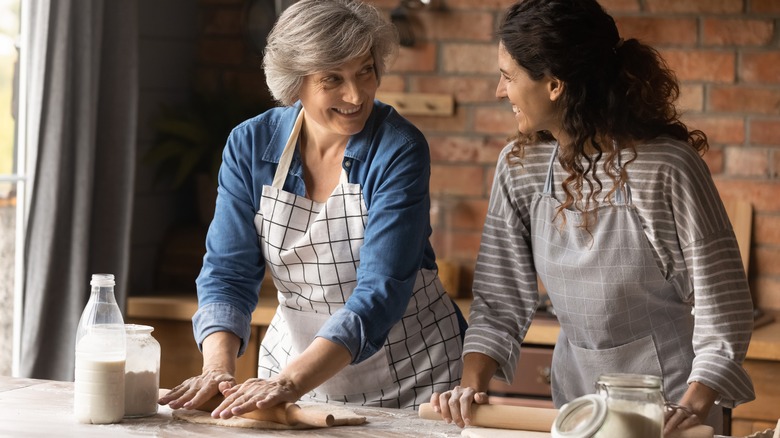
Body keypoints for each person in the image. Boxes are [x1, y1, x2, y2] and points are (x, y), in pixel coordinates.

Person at [430, 0, 755, 435]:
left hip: (671, 408)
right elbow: (498, 301)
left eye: (508, 76)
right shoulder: (519, 167)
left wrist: (691, 408)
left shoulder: (666, 168)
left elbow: (725, 308)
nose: (499, 90)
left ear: (554, 85)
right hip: (577, 404)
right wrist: (469, 388)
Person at [158, 0, 465, 418]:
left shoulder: (398, 150)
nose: (355, 95)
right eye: (332, 79)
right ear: (295, 82)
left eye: (365, 72)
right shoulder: (250, 146)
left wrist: (289, 381)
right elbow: (228, 272)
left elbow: (380, 291)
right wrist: (217, 367)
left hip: (412, 377)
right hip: (292, 376)